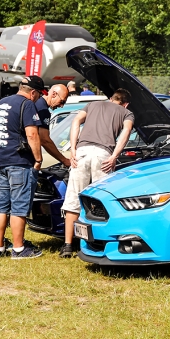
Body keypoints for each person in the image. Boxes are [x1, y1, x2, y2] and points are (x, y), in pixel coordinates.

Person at [62, 88, 135, 258]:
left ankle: (67, 246)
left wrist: (72, 149)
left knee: (73, 198)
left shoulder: (92, 105)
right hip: (103, 155)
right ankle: (98, 243)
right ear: (126, 103)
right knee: (100, 200)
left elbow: (76, 122)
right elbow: (126, 132)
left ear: (111, 98)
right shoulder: (127, 112)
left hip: (82, 152)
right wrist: (115, 155)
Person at [0, 75, 45, 259]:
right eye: (38, 95)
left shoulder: (0, 104)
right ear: (33, 92)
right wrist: (38, 158)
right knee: (19, 206)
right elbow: (32, 134)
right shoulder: (27, 104)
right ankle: (19, 249)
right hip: (19, 162)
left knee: (1, 205)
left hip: (0, 160)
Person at [35, 84, 70, 166]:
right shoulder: (43, 110)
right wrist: (64, 160)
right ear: (54, 94)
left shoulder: (36, 103)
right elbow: (44, 140)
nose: (61, 106)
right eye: (62, 101)